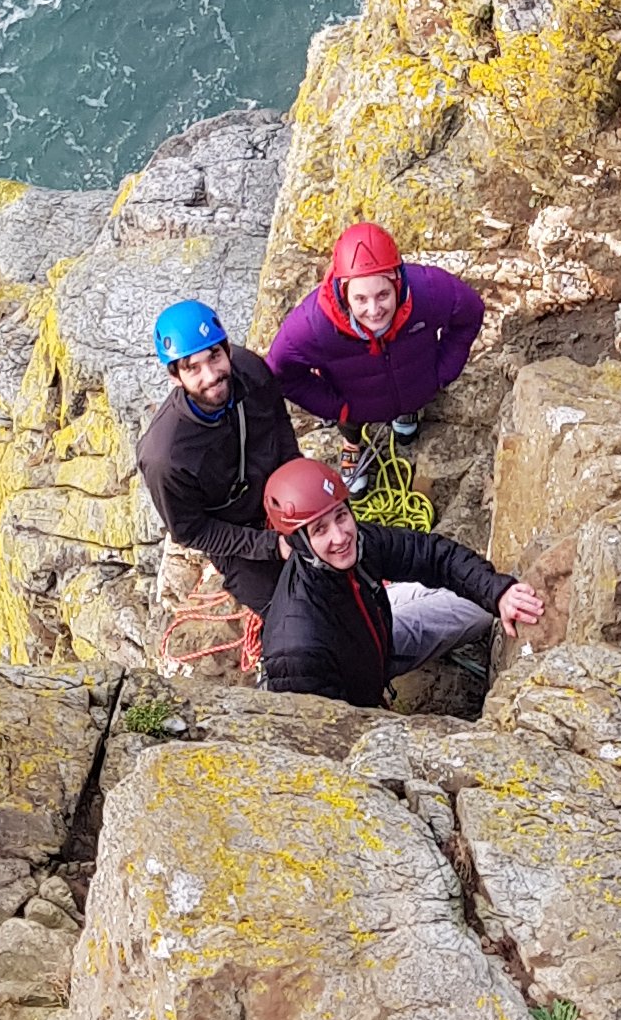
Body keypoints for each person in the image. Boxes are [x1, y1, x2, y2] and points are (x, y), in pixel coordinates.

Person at [256, 455, 542, 708]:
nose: (340, 537)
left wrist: (497, 592)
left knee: (481, 608)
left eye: (341, 516)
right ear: (299, 543)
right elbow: (328, 729)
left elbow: (430, 555)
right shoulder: (296, 651)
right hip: (354, 675)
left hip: (372, 635)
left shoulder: (361, 544)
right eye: (320, 530)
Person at [264, 221, 484, 493]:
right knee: (350, 423)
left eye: (383, 295)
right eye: (360, 299)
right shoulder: (313, 326)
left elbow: (470, 312)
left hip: (415, 385)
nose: (374, 310)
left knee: (408, 397)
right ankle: (351, 444)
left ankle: (407, 411)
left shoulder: (428, 292)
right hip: (354, 401)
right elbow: (281, 373)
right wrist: (335, 408)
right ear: (343, 294)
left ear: (398, 283)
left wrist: (441, 373)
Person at [135, 300, 297, 620]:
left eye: (214, 356)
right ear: (175, 377)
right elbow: (191, 531)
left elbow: (279, 423)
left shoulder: (250, 371)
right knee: (286, 610)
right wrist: (270, 545)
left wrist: (297, 482)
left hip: (276, 489)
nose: (210, 376)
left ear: (227, 350)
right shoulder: (165, 456)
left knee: (340, 546)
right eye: (192, 368)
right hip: (229, 528)